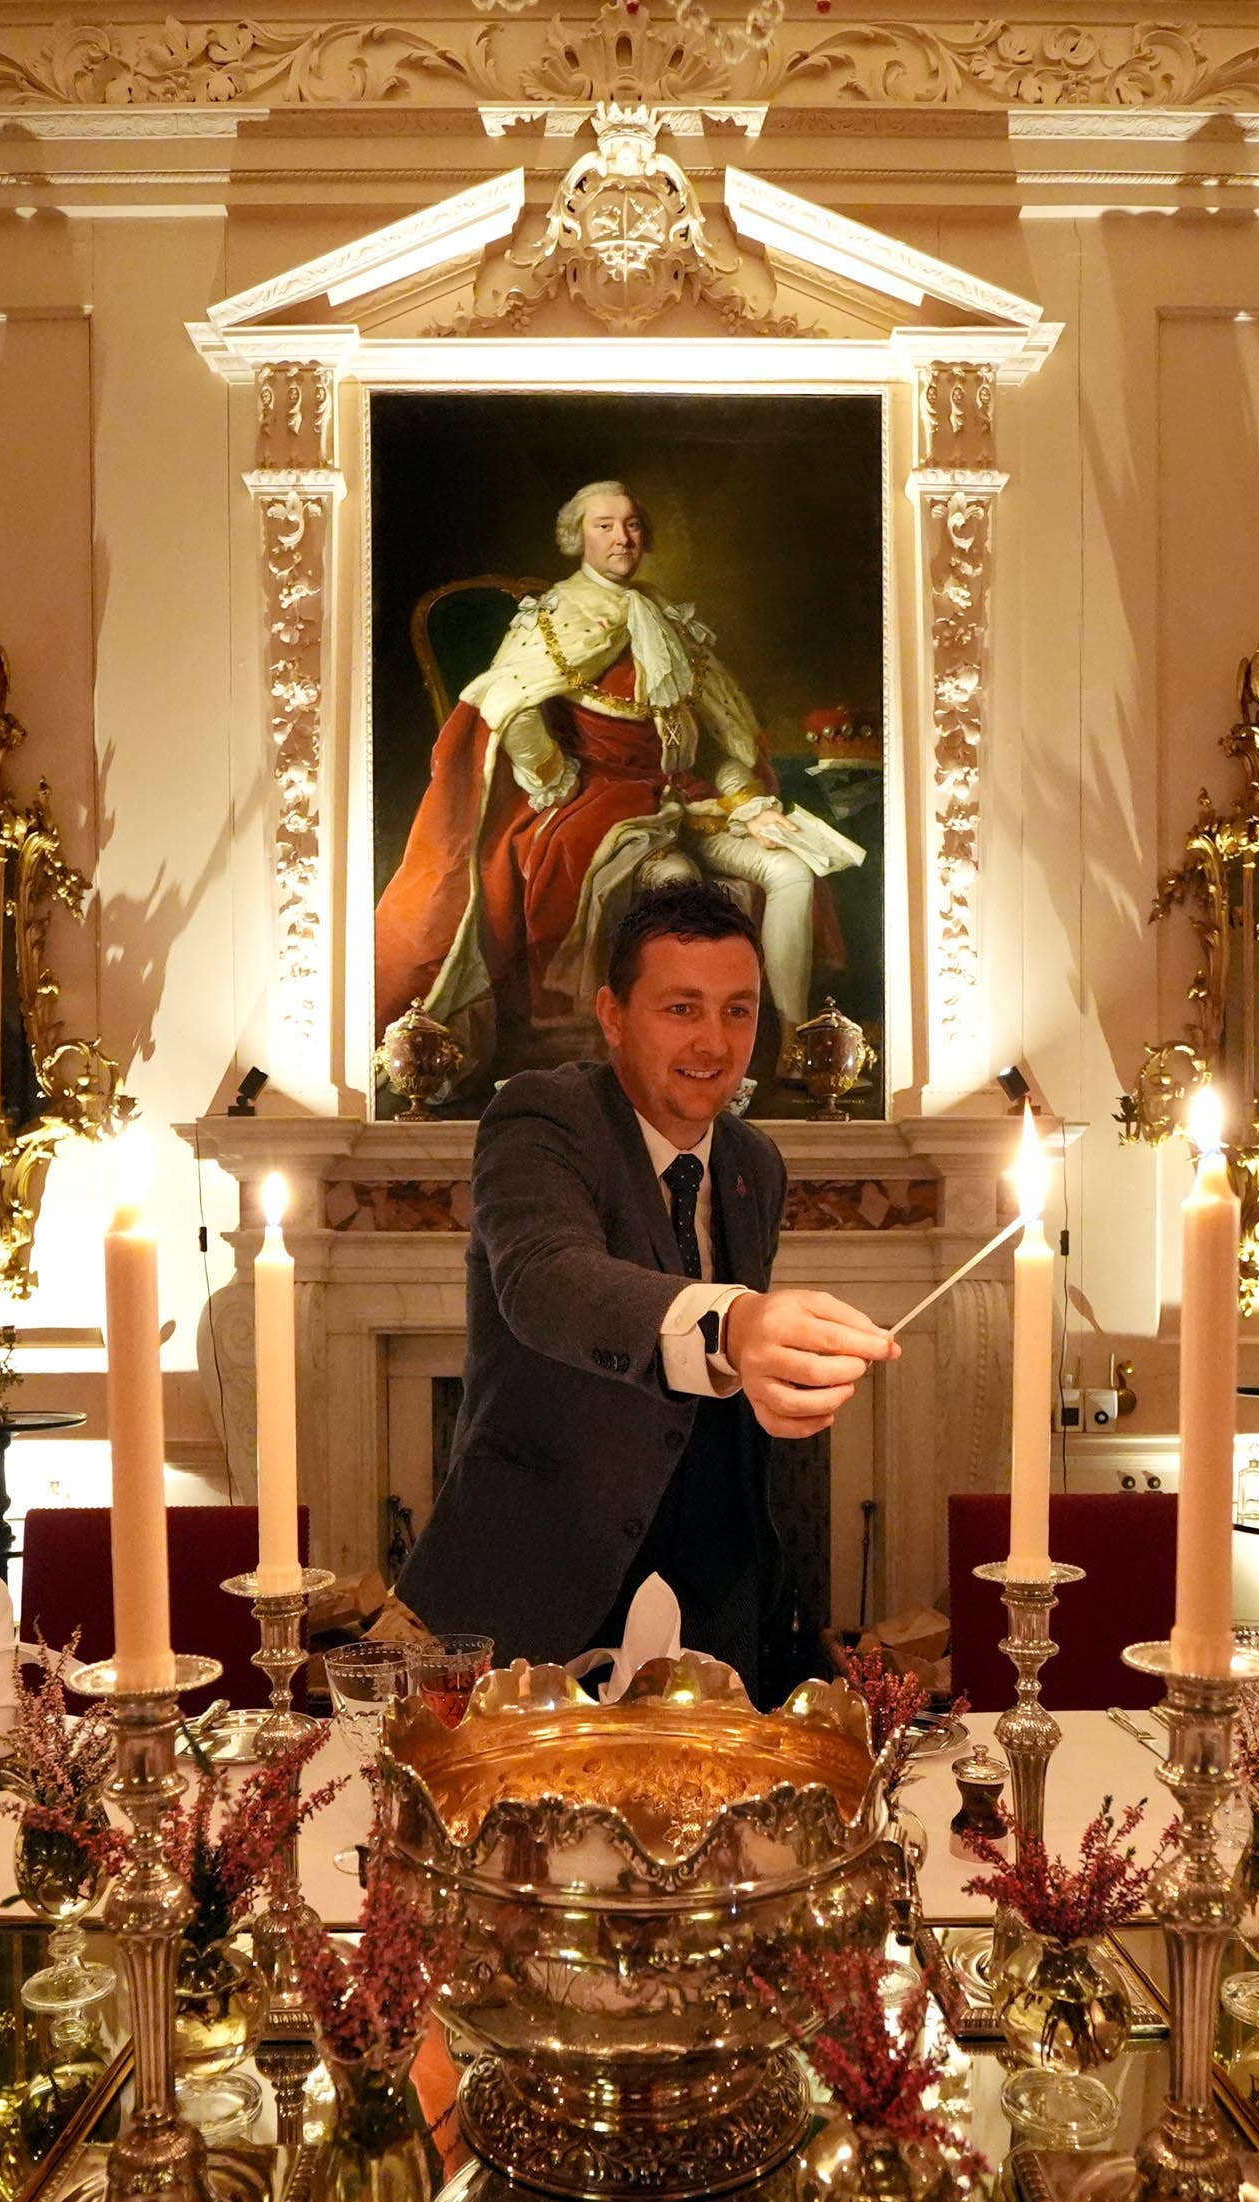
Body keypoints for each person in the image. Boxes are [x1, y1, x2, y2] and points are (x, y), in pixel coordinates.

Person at [393, 883, 897, 1681]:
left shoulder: (754, 1163)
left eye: (739, 1009)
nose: (715, 1041)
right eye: (682, 1008)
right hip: (534, 1602)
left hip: (714, 1618)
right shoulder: (541, 1117)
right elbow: (546, 1280)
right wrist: (732, 1323)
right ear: (612, 1014)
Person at [370, 479, 865, 1079]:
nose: (622, 537)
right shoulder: (554, 615)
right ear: (577, 537)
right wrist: (554, 774)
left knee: (791, 871)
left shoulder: (665, 617)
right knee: (677, 880)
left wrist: (747, 800)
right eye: (604, 525)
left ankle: (788, 1043)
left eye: (630, 524)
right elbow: (507, 702)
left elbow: (724, 736)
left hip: (684, 801)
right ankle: (661, 1049)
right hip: (599, 805)